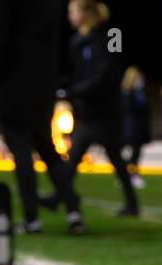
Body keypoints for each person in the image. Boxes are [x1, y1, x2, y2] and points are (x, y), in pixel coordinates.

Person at [0, 0, 85, 234]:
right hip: (43, 84)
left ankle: (31, 218)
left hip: (12, 85)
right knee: (48, 150)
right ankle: (74, 212)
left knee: (21, 151)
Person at [57, 0, 138, 217]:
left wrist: (75, 91)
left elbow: (109, 72)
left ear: (87, 13)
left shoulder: (111, 34)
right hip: (89, 110)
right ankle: (60, 195)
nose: (70, 16)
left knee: (105, 158)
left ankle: (60, 195)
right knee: (80, 156)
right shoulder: (78, 42)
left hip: (106, 110)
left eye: (73, 11)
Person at [120, 66, 150, 188]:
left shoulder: (138, 92)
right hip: (130, 126)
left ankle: (128, 175)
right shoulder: (127, 92)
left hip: (138, 126)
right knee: (130, 153)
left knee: (136, 152)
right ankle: (130, 175)